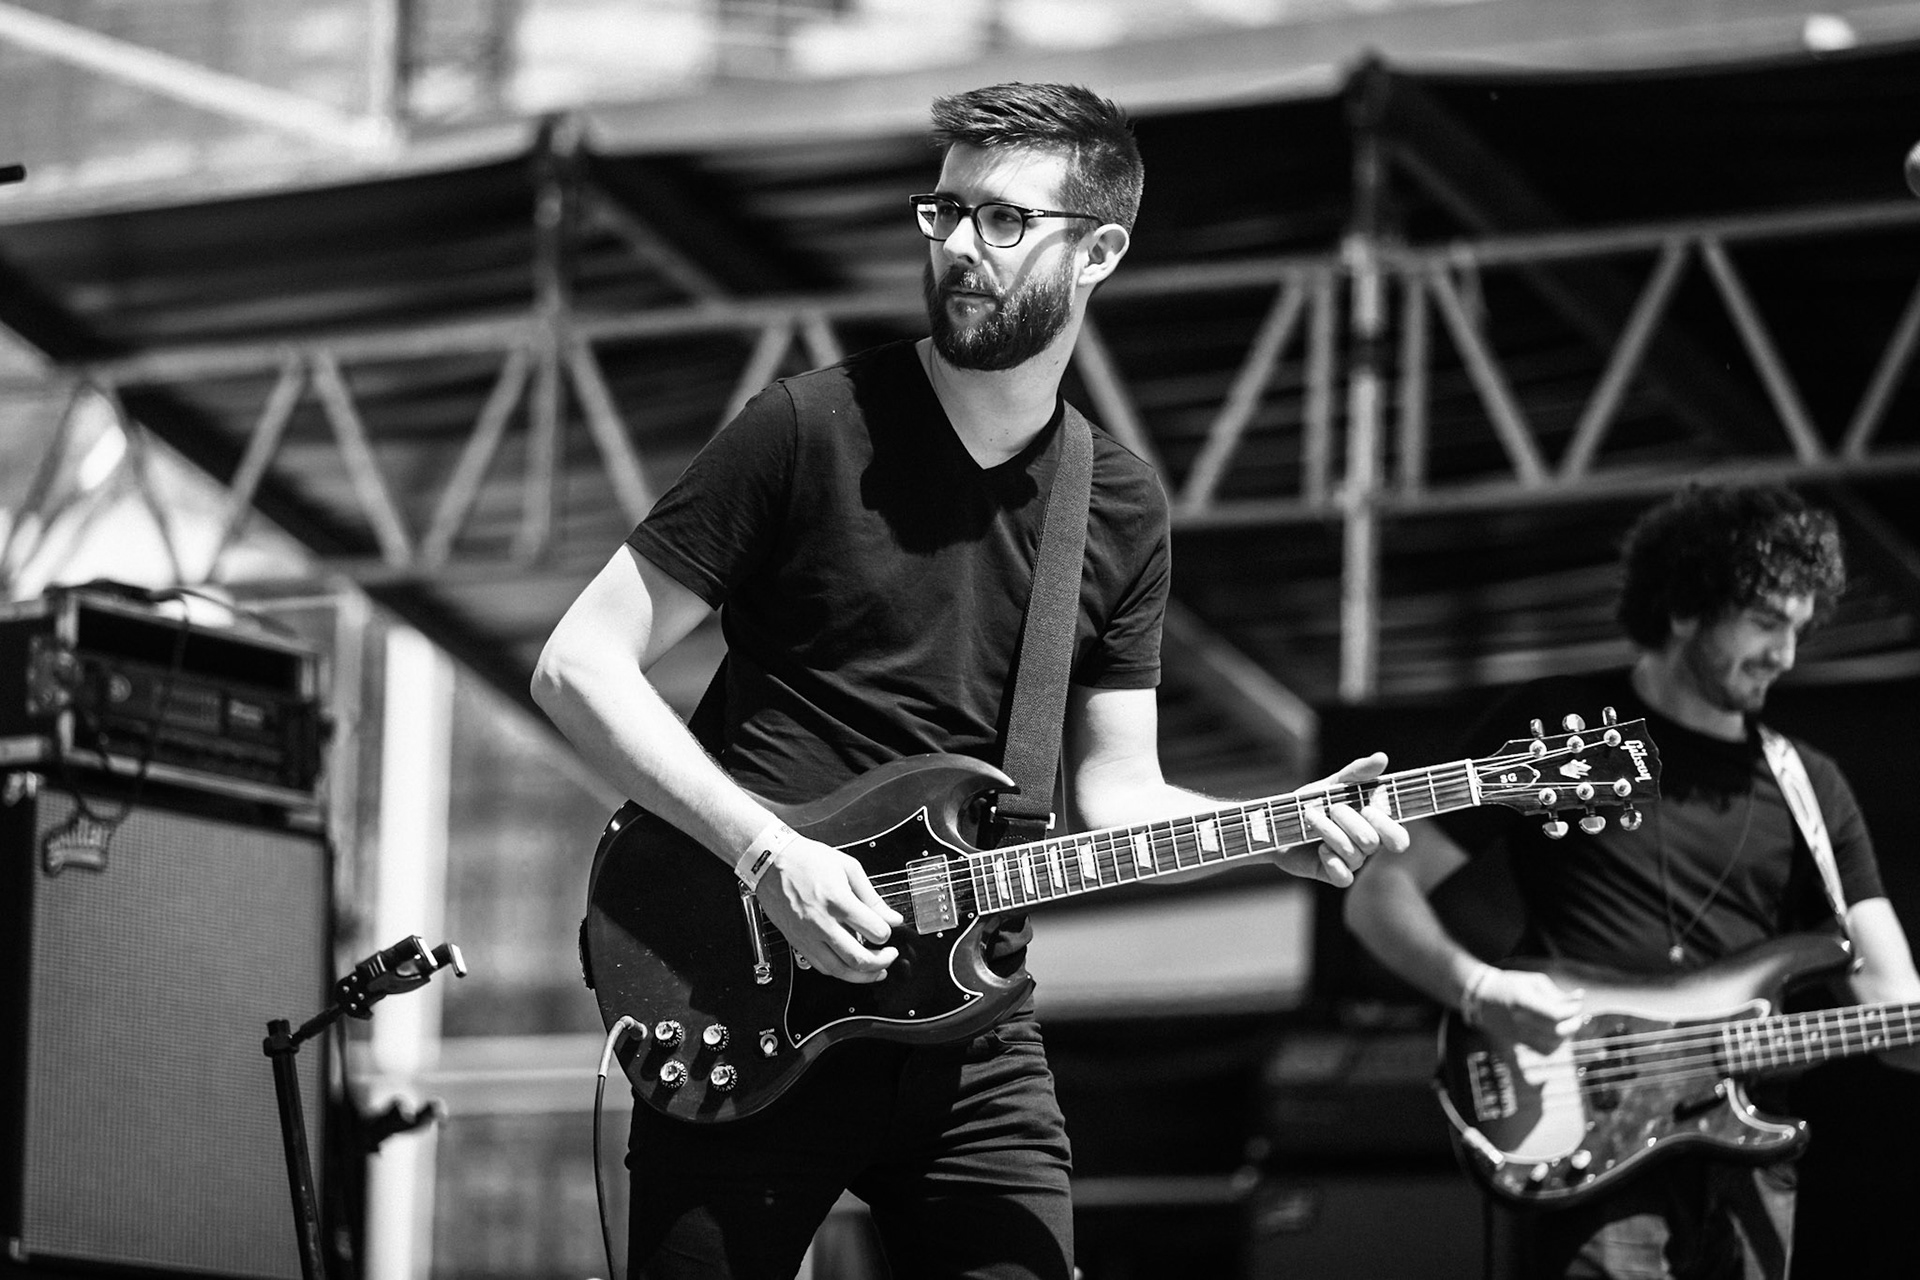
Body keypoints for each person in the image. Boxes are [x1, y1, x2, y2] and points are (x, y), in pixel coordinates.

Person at [531, 81, 1409, 1280]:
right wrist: (767, 852)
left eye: (1003, 221)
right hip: (738, 988)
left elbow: (1119, 797)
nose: (957, 247)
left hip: (968, 1027)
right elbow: (579, 661)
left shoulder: (1119, 503)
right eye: (943, 211)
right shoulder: (807, 427)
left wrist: (1274, 831)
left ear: (1098, 249)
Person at [1343, 483, 1920, 1279]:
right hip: (1584, 1134)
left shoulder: (1810, 785)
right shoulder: (1562, 732)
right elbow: (1381, 889)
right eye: (1763, 622)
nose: (1784, 655)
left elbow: (1895, 1009)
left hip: (1745, 1159)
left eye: (1797, 627)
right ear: (1686, 608)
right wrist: (1478, 991)